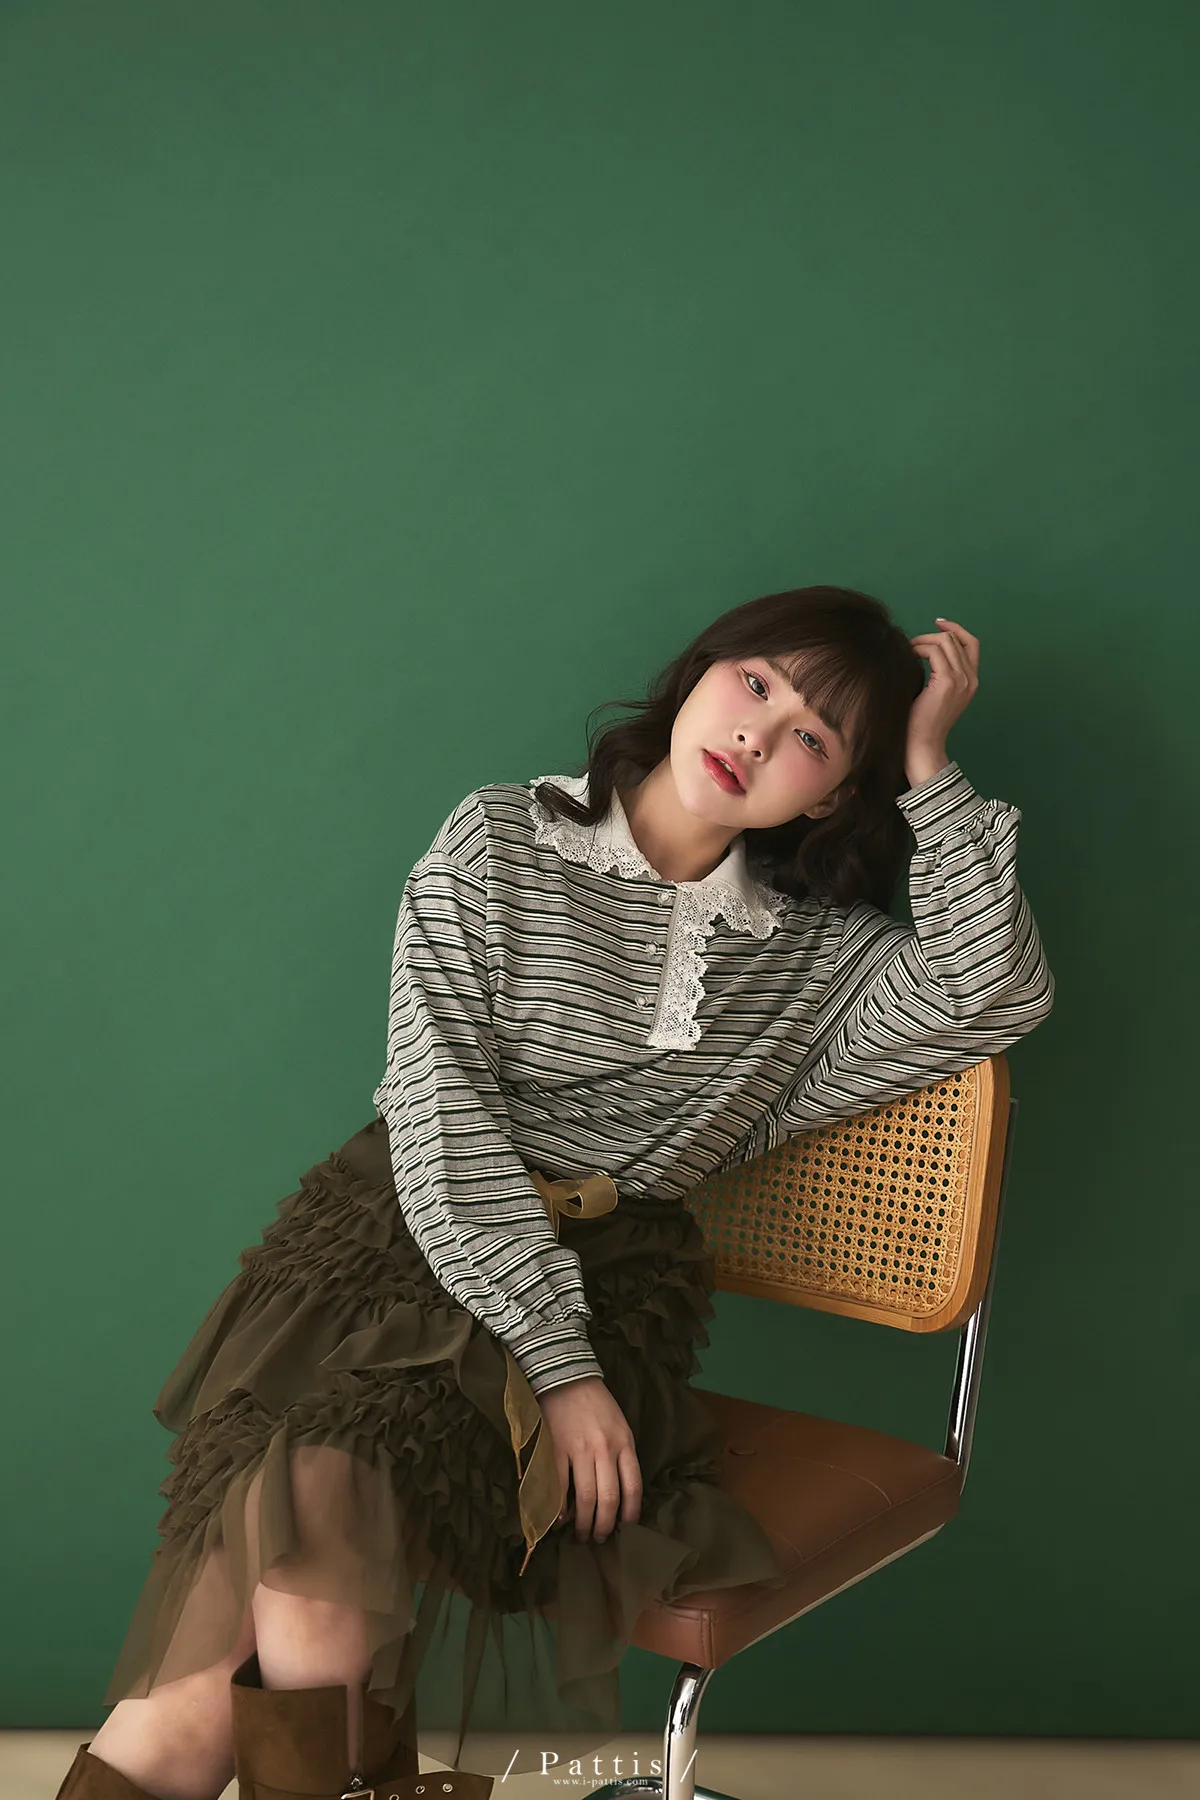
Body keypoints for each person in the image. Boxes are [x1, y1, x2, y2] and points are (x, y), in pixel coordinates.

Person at [58, 586, 1054, 1800]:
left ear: (834, 795)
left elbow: (994, 990)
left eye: (812, 735)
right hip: (389, 1246)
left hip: (603, 1286)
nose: (756, 732)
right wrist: (558, 1370)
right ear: (699, 672)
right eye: (754, 683)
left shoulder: (815, 959)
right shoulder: (500, 839)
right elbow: (440, 1114)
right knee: (189, 1705)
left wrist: (931, 767)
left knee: (285, 1551)